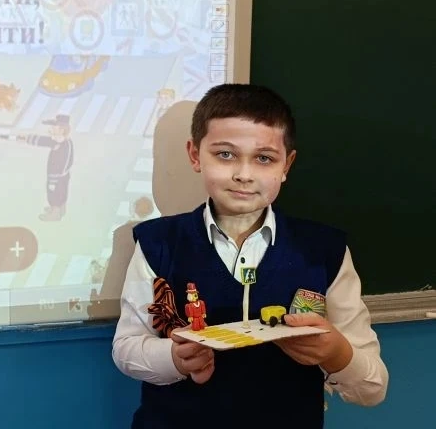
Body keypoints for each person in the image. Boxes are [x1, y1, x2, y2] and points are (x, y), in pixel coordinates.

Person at [111, 84, 388, 427]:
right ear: (195, 155)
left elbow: (373, 388)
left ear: (286, 165)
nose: (243, 174)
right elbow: (127, 347)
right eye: (225, 155)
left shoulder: (323, 251)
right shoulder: (158, 242)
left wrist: (337, 354)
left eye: (264, 158)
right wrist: (174, 358)